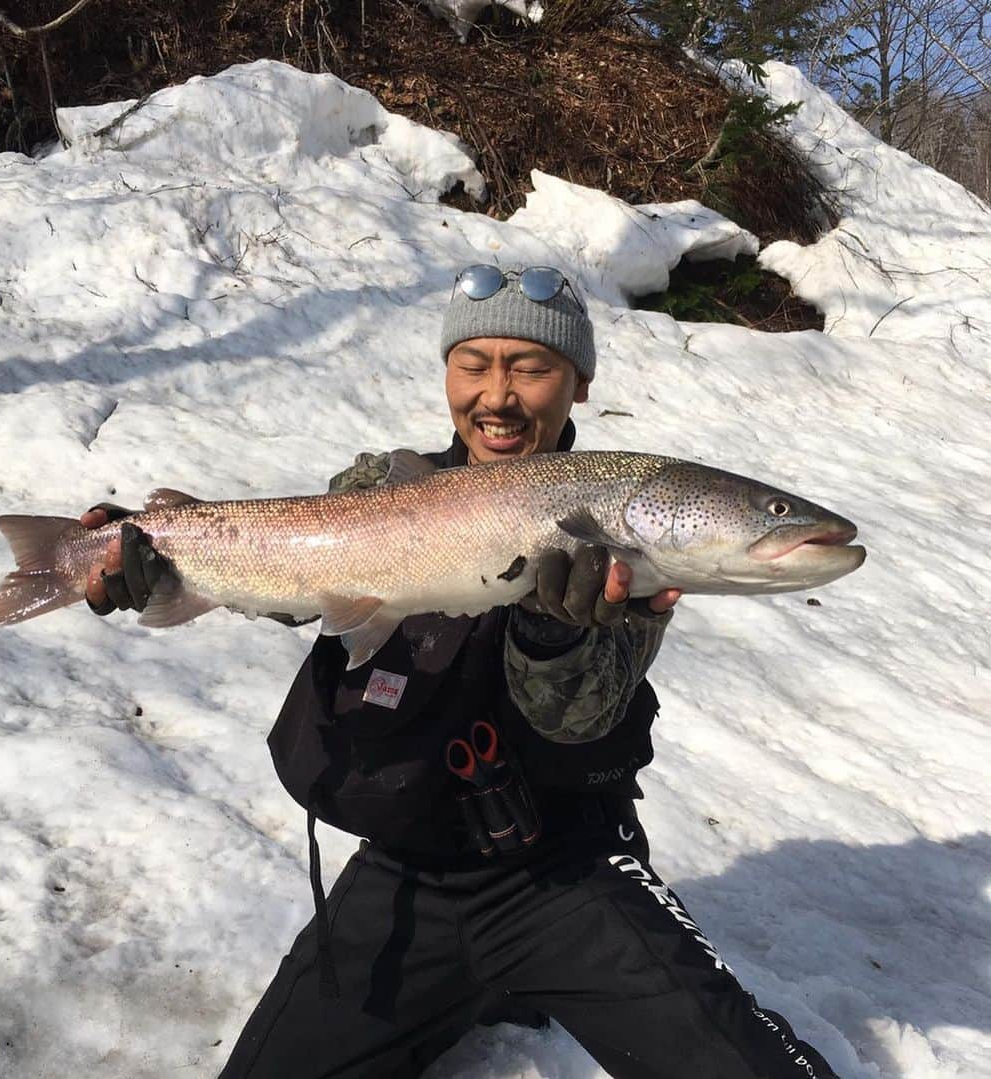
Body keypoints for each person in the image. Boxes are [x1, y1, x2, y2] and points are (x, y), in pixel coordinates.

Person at [82, 265, 839, 1079]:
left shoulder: (633, 554)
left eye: (532, 367)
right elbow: (290, 581)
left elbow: (579, 720)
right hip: (406, 872)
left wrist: (553, 632)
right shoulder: (383, 486)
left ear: (579, 383)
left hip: (566, 873)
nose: (499, 396)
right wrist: (159, 564)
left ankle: (526, 979)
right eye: (474, 364)